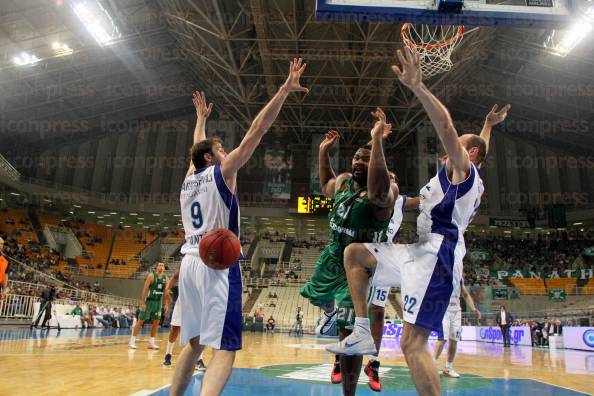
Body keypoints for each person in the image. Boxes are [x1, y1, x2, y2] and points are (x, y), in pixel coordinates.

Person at [325, 48, 498, 396]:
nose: (451, 146)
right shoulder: (464, 173)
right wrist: (487, 127)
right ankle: (360, 330)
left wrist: (419, 87)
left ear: (470, 155)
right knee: (355, 254)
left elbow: (449, 128)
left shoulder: (462, 170)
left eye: (461, 146)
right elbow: (477, 146)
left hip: (437, 255)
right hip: (417, 250)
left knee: (412, 344)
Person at [170, 58, 309, 396]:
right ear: (210, 159)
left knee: (194, 344)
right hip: (218, 262)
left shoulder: (188, 179)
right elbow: (257, 130)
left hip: (188, 261)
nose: (226, 152)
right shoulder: (224, 172)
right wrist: (284, 90)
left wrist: (200, 121)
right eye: (220, 150)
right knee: (227, 347)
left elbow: (196, 151)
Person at [301, 109, 399, 396]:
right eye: (357, 157)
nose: (360, 161)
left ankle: (349, 390)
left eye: (366, 159)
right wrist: (322, 153)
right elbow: (325, 185)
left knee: (350, 334)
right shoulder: (344, 181)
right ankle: (334, 316)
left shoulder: (385, 191)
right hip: (333, 256)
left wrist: (377, 140)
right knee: (314, 295)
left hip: (359, 269)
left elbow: (380, 192)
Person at [336, 171, 417, 392]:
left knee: (378, 312)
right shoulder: (369, 195)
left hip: (383, 256)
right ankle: (340, 357)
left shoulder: (398, 200)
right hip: (362, 255)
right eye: (386, 176)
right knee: (349, 309)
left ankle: (373, 363)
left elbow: (425, 200)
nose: (390, 179)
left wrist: (450, 187)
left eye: (394, 176)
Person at [433, 279, 481, 378]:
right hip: (444, 311)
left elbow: (465, 294)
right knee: (442, 339)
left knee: (454, 340)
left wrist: (474, 309)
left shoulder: (459, 277)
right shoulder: (442, 273)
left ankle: (448, 368)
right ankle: (432, 366)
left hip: (456, 312)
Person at [163, 268, 206, 370]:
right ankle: (168, 354)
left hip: (198, 301)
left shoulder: (205, 264)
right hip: (183, 301)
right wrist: (168, 288)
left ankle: (199, 359)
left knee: (198, 332)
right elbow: (175, 276)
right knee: (175, 329)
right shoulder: (186, 261)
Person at [129, 262, 169, 350]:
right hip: (149, 301)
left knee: (156, 322)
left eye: (162, 266)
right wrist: (143, 302)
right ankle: (132, 341)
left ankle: (151, 342)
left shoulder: (165, 278)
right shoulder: (151, 276)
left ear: (164, 268)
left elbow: (166, 292)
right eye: (159, 265)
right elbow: (145, 289)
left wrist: (166, 303)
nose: (161, 267)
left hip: (158, 303)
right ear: (156, 267)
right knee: (140, 321)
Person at [0, 237, 9, 301]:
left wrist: (4, 290)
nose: (0, 246)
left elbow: (6, 275)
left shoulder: (6, 260)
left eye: (2, 244)